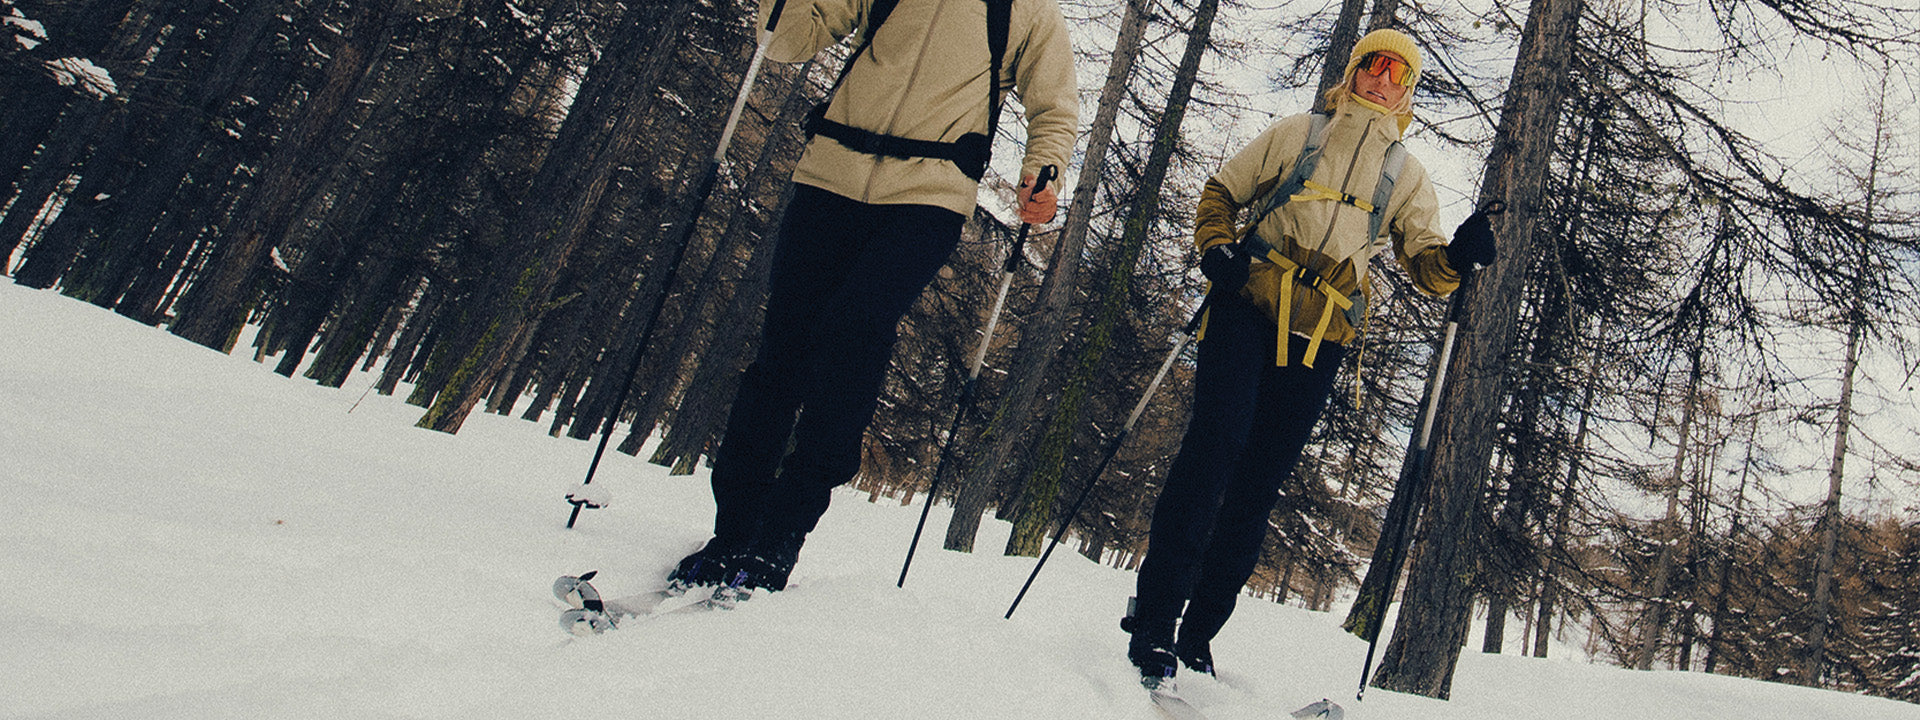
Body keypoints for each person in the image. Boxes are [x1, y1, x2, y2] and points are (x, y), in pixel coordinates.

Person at [667, 0, 1079, 598]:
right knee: (783, 348)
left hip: (929, 195)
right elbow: (788, 39)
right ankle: (733, 529)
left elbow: (1055, 107)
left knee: (856, 328)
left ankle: (784, 531)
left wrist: (1045, 170)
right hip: (829, 175)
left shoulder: (1030, 10)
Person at [1122, 29, 1497, 684]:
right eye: (1372, 66)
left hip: (1320, 336)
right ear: (1352, 72)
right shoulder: (1299, 133)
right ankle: (1154, 618)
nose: (1382, 80)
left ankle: (1198, 634)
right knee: (1214, 448)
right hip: (1247, 305)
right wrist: (1215, 248)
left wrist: (1460, 257)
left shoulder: (1404, 176)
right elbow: (1220, 194)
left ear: (1408, 91)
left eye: (1397, 73)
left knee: (1257, 485)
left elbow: (1431, 270)